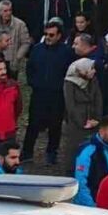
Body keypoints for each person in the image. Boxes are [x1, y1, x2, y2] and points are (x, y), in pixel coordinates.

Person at [23, 19, 72, 165]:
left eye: (51, 35)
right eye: (46, 34)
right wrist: (33, 82)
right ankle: (27, 152)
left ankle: (52, 153)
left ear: (59, 36)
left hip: (57, 95)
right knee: (33, 124)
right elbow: (29, 68)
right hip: (39, 93)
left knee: (55, 125)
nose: (48, 38)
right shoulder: (37, 49)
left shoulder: (66, 52)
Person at [72, 116, 108, 208]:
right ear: (102, 131)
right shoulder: (88, 150)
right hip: (89, 205)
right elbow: (80, 182)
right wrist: (92, 207)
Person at [61, 58, 102, 165]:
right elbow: (70, 105)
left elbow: (98, 100)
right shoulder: (69, 83)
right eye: (91, 68)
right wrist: (82, 123)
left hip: (92, 118)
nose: (94, 71)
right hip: (77, 121)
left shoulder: (93, 80)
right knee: (74, 148)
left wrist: (97, 119)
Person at [0, 0, 30, 78]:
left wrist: (18, 57)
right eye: (5, 11)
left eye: (10, 10)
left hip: (13, 62)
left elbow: (26, 43)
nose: (9, 13)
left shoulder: (20, 24)